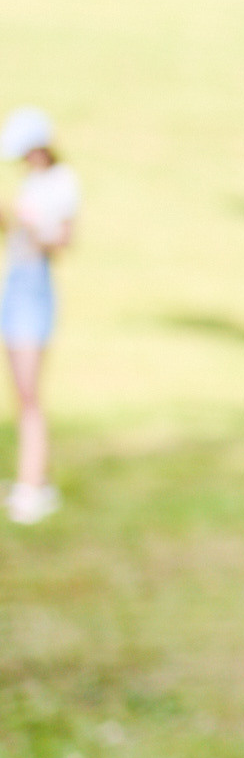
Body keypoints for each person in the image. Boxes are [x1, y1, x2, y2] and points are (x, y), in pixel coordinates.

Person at [1, 107, 78, 525]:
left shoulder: (62, 183)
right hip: (13, 286)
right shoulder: (29, 184)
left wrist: (34, 230)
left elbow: (63, 241)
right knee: (17, 390)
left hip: (35, 289)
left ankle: (33, 488)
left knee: (30, 392)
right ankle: (29, 478)